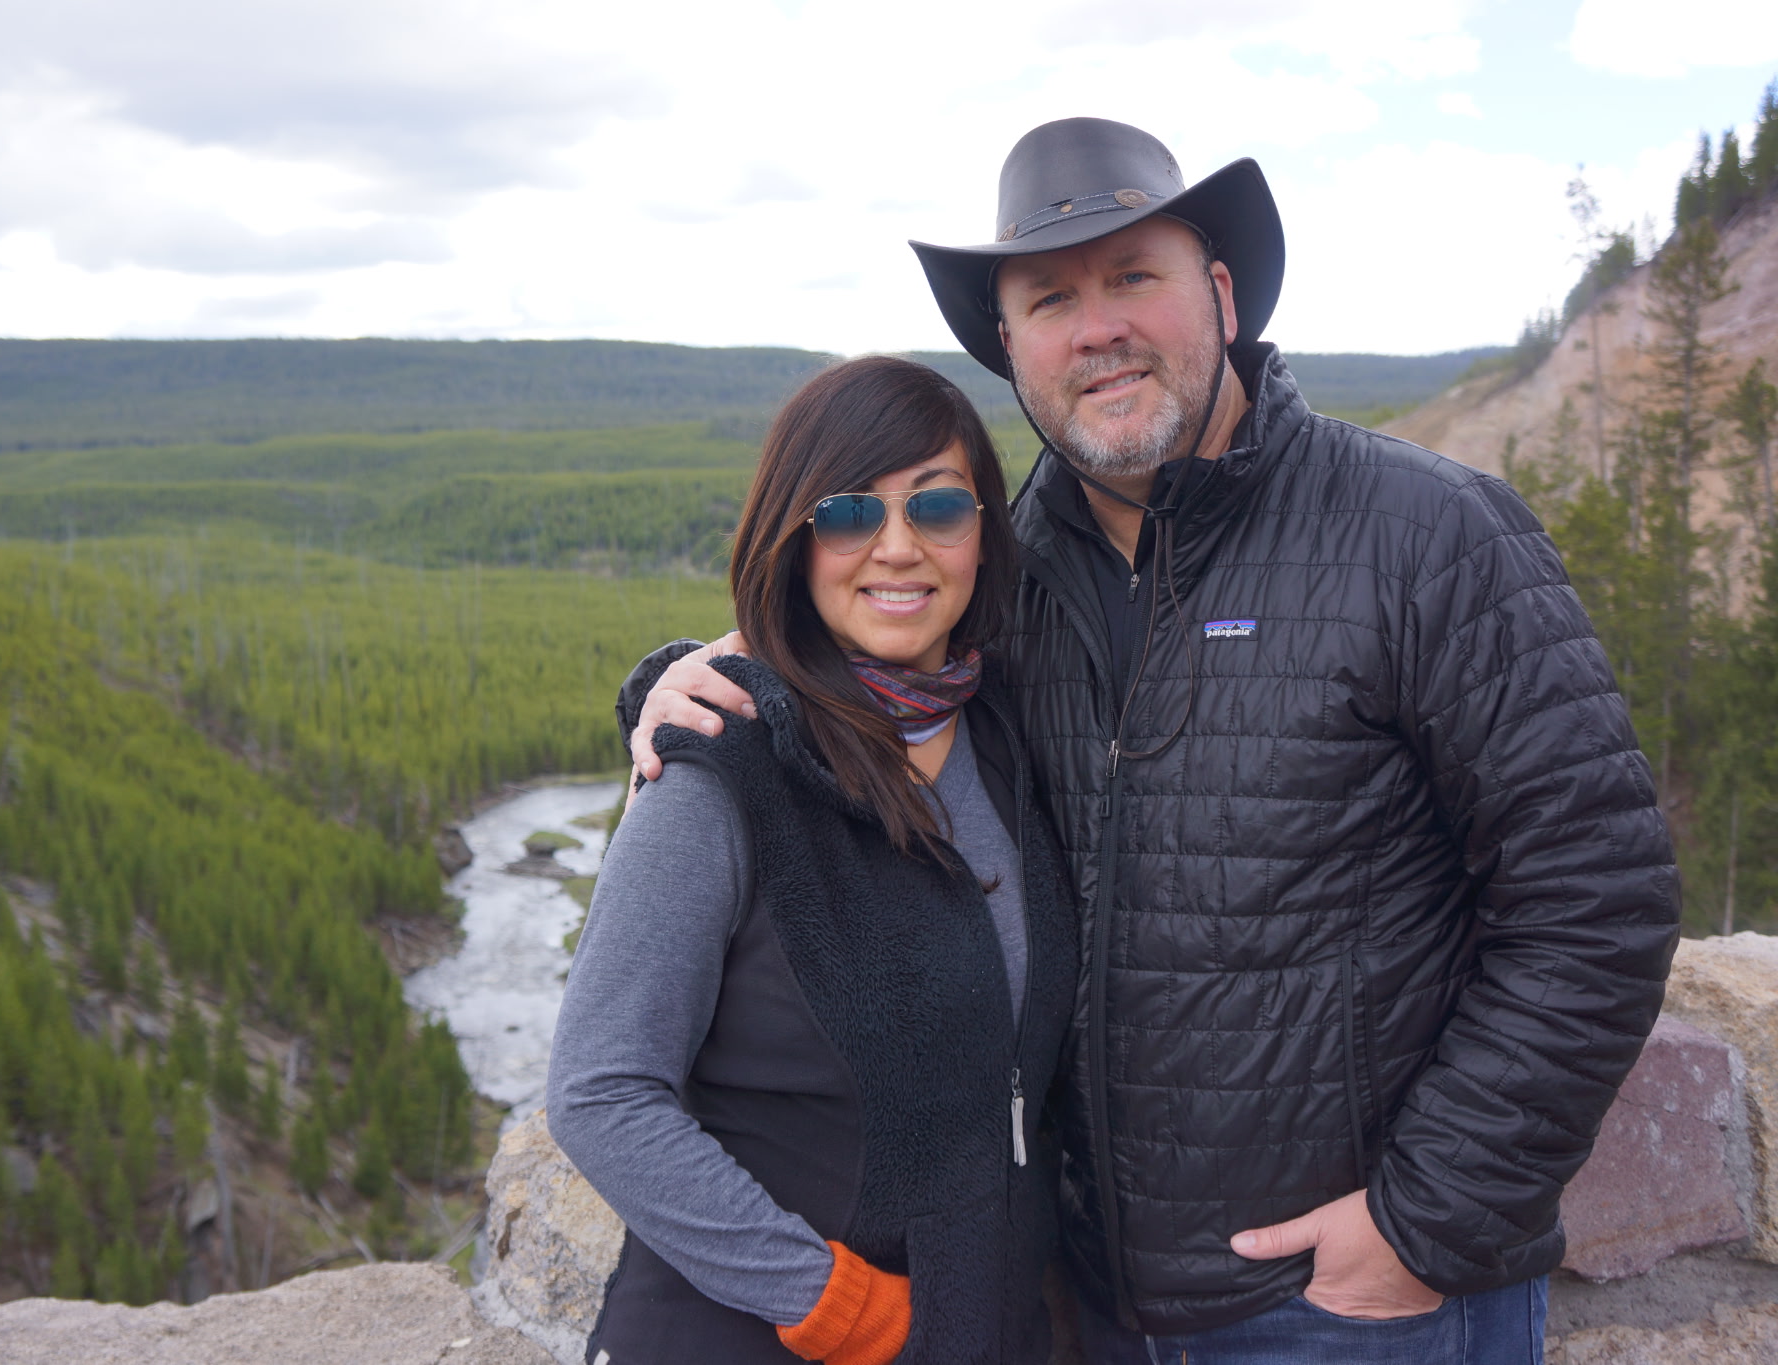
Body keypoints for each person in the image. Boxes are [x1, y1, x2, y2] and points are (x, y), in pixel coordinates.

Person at [623, 119, 1681, 1363]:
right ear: (1007, 346)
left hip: (1355, 1308)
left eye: (1133, 276)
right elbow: (859, 649)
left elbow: (1596, 895)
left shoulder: (1425, 535)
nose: (1097, 328)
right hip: (1095, 1305)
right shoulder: (1008, 571)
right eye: (1049, 299)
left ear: (1219, 295)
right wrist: (681, 682)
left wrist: (1423, 1222)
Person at [548, 355, 1079, 1364]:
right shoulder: (721, 763)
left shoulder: (1007, 735)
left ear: (983, 532)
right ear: (793, 539)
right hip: (752, 1334)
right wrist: (830, 1302)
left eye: (937, 506)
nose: (897, 547)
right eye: (847, 513)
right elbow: (600, 1091)